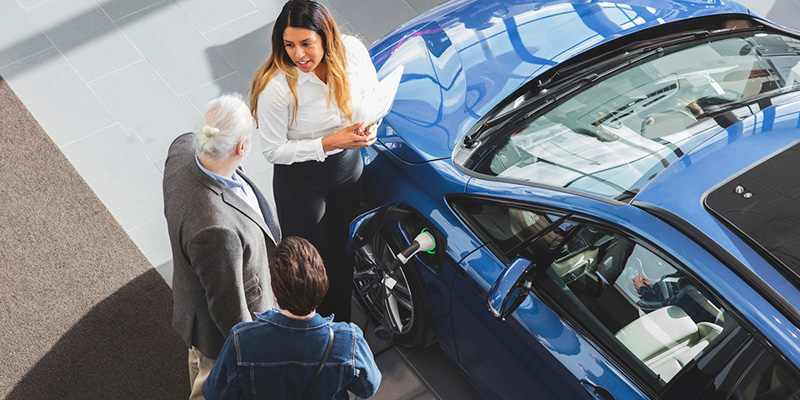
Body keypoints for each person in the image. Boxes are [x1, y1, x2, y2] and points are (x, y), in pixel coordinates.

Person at [248, 0, 379, 323]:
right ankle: (309, 328)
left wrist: (371, 124)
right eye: (289, 45)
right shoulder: (277, 88)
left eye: (306, 43)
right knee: (307, 266)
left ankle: (342, 326)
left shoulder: (352, 52)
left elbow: (372, 94)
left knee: (342, 255)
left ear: (326, 38)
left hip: (348, 166)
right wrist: (331, 142)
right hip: (301, 183)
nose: (298, 54)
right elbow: (274, 151)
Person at [163, 94, 282, 399]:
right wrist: (252, 353)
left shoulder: (181, 150)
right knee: (211, 386)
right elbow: (227, 306)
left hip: (193, 293)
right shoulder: (217, 230)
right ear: (241, 147)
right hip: (215, 337)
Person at [203, 236, 382, 399]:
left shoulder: (241, 341)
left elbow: (215, 394)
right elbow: (367, 388)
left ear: (274, 291)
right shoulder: (349, 340)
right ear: (323, 283)